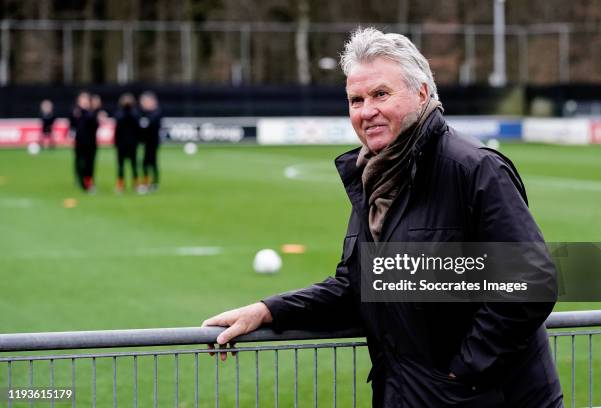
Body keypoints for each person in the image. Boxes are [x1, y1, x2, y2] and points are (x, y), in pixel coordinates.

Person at [203, 28, 562, 407]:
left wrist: (463, 371)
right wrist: (267, 311)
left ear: (422, 93)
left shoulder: (471, 169)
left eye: (380, 94)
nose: (366, 111)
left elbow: (531, 279)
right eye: (355, 100)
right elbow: (358, 285)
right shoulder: (376, 177)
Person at [70, 91, 98, 192]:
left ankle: (88, 182)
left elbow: (95, 125)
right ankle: (81, 181)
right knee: (80, 162)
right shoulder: (75, 112)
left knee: (90, 164)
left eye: (86, 99)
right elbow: (72, 125)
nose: (84, 101)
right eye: (82, 99)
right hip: (80, 142)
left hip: (91, 142)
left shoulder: (92, 113)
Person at [113, 93, 140, 193]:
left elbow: (137, 125)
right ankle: (120, 185)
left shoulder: (135, 113)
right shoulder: (119, 113)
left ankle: (136, 184)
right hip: (121, 144)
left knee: (134, 165)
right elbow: (118, 125)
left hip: (132, 143)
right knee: (120, 165)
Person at [139, 91, 162, 192]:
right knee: (145, 163)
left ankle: (154, 183)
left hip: (153, 142)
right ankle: (147, 182)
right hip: (146, 142)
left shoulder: (156, 112)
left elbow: (150, 125)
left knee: (152, 162)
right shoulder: (143, 113)